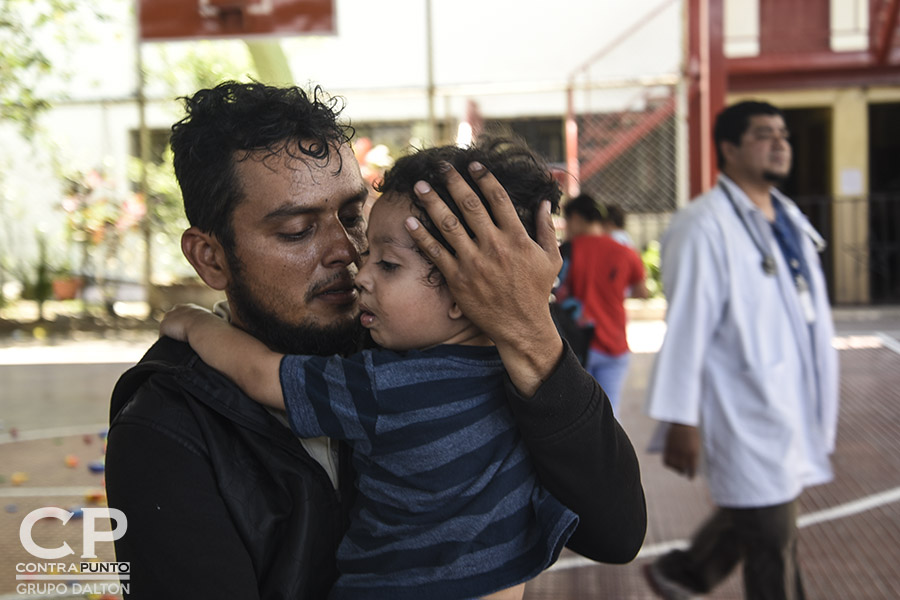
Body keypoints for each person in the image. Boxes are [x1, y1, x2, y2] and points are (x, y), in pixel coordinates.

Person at [105, 81, 647, 599]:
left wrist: (529, 333)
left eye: (351, 216)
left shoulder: (430, 347)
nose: (347, 252)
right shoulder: (168, 429)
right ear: (210, 257)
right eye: (297, 230)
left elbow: (615, 533)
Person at [158, 140, 580, 600]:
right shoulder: (522, 371)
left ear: (465, 294)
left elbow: (263, 375)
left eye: (389, 264)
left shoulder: (385, 385)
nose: (359, 271)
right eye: (299, 229)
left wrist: (195, 324)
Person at [643, 100, 839, 600]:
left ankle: (685, 573)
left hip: (787, 398)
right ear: (728, 149)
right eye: (764, 134)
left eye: (784, 134)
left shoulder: (787, 220)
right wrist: (681, 418)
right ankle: (687, 572)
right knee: (774, 537)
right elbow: (687, 324)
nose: (780, 143)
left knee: (760, 511)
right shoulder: (704, 224)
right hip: (740, 402)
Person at [557, 194, 649, 415]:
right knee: (610, 412)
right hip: (615, 343)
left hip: (577, 346)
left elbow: (556, 290)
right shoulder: (626, 252)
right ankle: (614, 450)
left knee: (578, 413)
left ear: (577, 218)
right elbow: (642, 291)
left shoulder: (566, 252)